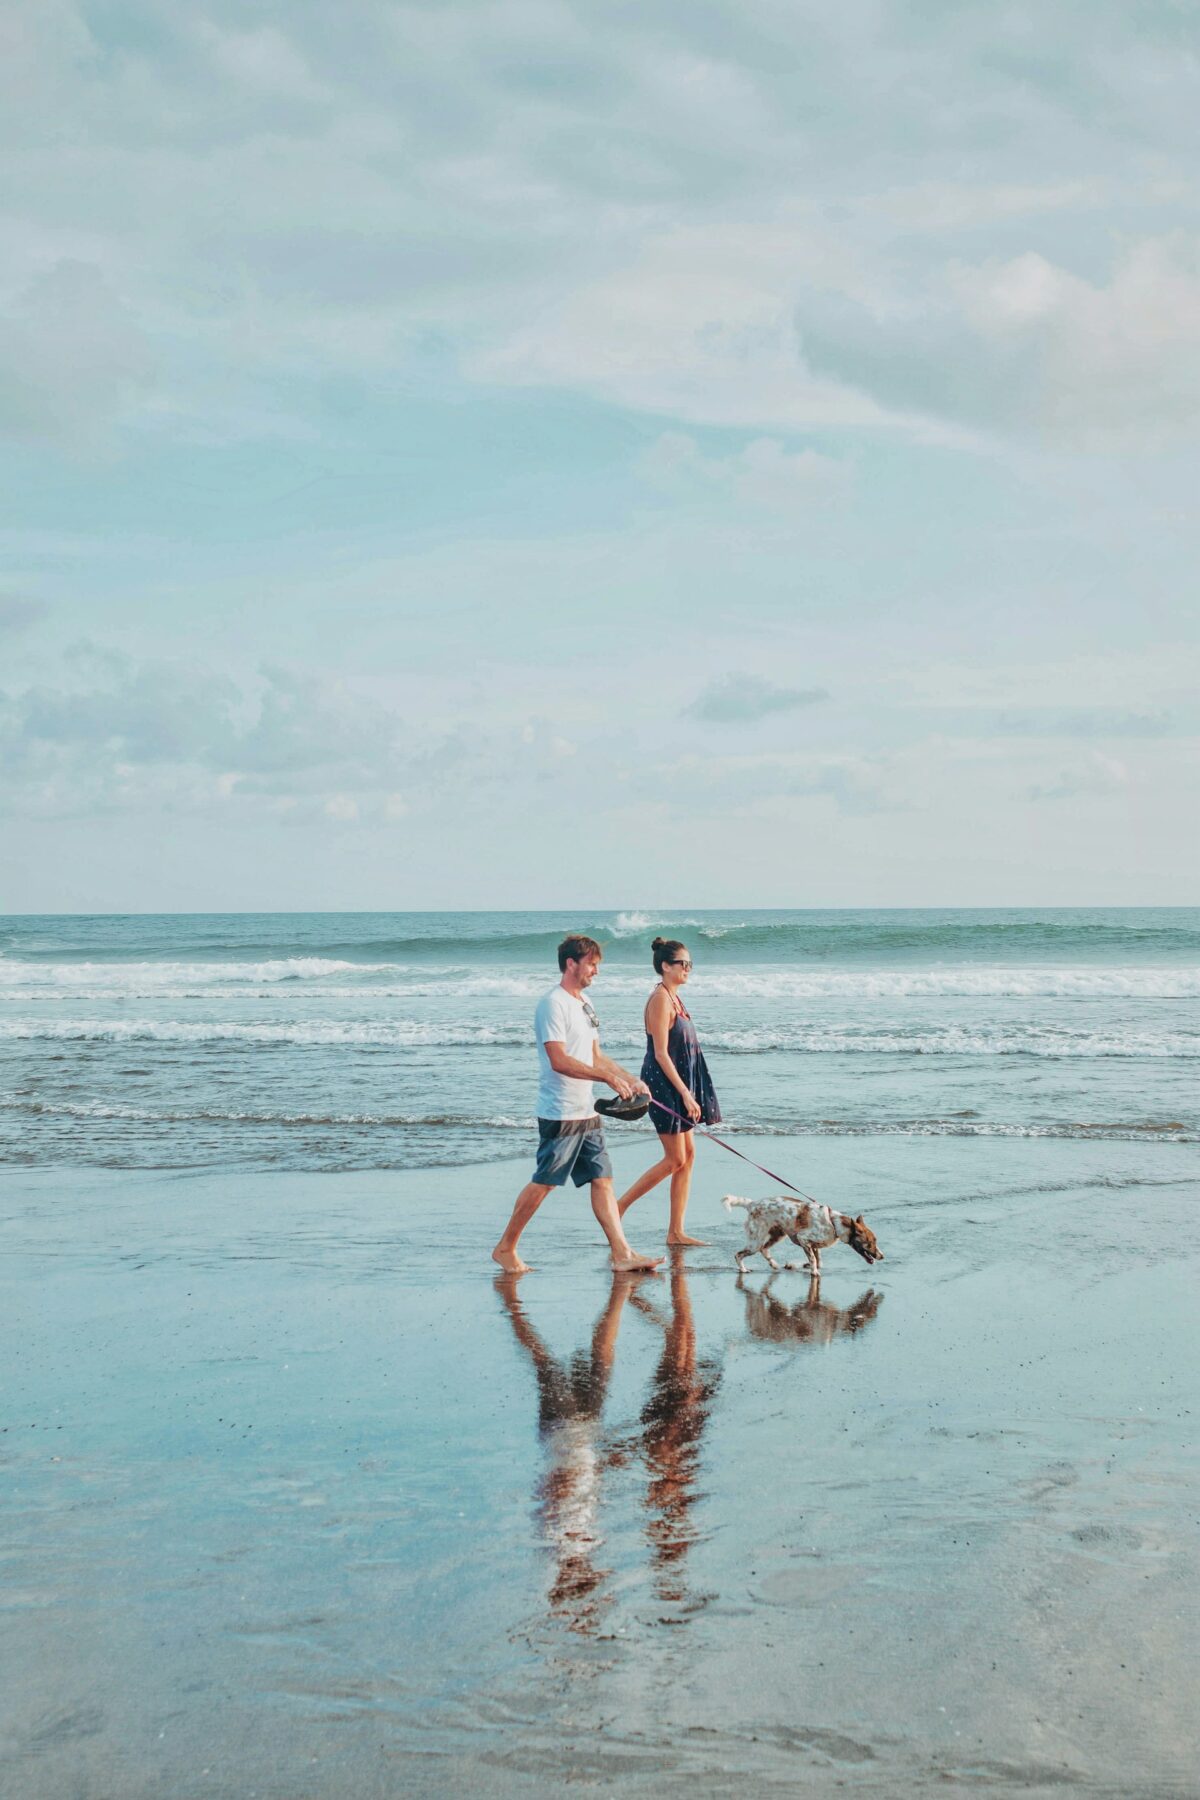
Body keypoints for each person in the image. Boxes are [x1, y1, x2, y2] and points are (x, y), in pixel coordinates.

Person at [491, 934, 663, 1275]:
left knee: (602, 1179)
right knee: (545, 1181)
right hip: (561, 1111)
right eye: (591, 964)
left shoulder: (585, 1003)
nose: (596, 971)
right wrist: (607, 1079)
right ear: (571, 964)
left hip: (587, 1111)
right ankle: (506, 1247)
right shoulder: (552, 1004)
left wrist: (629, 1078)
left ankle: (622, 1253)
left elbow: (595, 1055)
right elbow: (558, 1060)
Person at [617, 937, 721, 1247]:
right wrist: (686, 1094)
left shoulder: (675, 998)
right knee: (674, 1158)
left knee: (688, 1156)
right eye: (682, 964)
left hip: (678, 1083)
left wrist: (690, 1090)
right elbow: (661, 1054)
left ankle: (676, 1232)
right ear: (665, 966)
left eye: (690, 964)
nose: (688, 969)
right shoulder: (660, 999)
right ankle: (617, 1208)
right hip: (663, 1084)